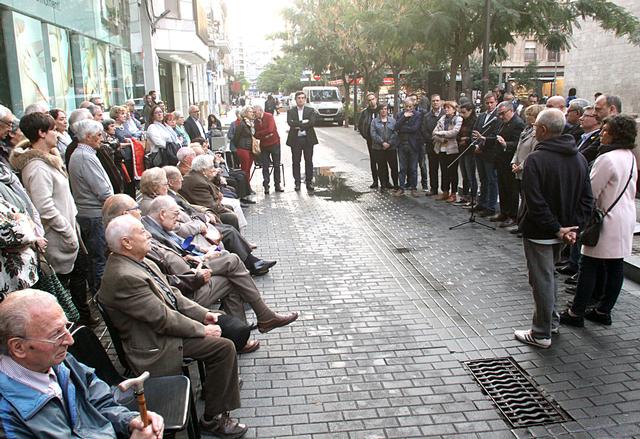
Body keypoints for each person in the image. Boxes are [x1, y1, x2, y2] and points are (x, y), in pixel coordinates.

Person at [99, 215, 249, 438]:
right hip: (154, 344)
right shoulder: (123, 276)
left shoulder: (139, 261)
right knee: (223, 347)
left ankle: (216, 389)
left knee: (222, 326)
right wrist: (202, 329)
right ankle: (213, 419)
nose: (148, 234)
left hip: (161, 332)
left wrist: (203, 314)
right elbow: (163, 319)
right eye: (142, 231)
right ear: (126, 242)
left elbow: (174, 296)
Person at [0, 289, 164, 438]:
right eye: (56, 334)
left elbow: (99, 401)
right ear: (18, 347)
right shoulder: (7, 418)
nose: (70, 340)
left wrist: (129, 420)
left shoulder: (60, 362)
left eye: (66, 327)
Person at [514, 109, 593, 348]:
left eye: (535, 126)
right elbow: (587, 200)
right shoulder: (579, 158)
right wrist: (572, 228)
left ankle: (541, 333)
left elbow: (535, 202)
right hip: (563, 231)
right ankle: (552, 322)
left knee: (542, 280)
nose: (534, 130)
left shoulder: (536, 159)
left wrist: (560, 229)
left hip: (542, 232)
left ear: (543, 130)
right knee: (549, 276)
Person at [11, 113, 98, 326]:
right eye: (53, 130)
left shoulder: (49, 160)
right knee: (65, 286)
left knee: (79, 277)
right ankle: (74, 327)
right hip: (58, 239)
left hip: (68, 233)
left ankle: (83, 324)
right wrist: (67, 231)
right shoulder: (37, 167)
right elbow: (44, 207)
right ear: (41, 133)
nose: (58, 134)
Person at [560, 115, 637, 327]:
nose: (602, 133)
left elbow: (590, 192)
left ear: (615, 134)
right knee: (615, 265)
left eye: (606, 130)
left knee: (589, 264)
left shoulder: (607, 159)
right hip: (624, 215)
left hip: (605, 217)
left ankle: (576, 312)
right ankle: (603, 310)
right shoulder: (629, 156)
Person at [68, 119, 114, 296]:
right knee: (99, 258)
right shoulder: (84, 157)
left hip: (91, 213)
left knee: (97, 258)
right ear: (88, 137)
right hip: (93, 215)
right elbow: (102, 190)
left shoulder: (84, 154)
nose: (102, 138)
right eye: (99, 135)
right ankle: (101, 297)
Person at [180, 154, 241, 230]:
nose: (213, 169)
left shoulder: (198, 175)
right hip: (202, 212)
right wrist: (219, 200)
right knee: (232, 217)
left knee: (230, 207)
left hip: (207, 206)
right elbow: (211, 206)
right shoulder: (198, 182)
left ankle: (238, 235)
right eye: (211, 167)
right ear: (203, 170)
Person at [490, 101, 525, 227]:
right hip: (500, 161)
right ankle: (504, 212)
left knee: (511, 190)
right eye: (499, 114)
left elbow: (518, 143)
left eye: (503, 113)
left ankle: (512, 215)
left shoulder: (518, 123)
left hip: (510, 161)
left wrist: (506, 144)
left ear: (511, 110)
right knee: (503, 188)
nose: (501, 116)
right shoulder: (502, 123)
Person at [510, 104, 543, 233]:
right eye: (527, 115)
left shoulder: (536, 134)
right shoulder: (526, 130)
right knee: (521, 196)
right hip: (518, 167)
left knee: (527, 198)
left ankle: (523, 224)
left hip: (527, 168)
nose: (527, 117)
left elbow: (534, 152)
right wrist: (514, 162)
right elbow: (518, 148)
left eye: (530, 115)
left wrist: (522, 166)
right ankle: (520, 222)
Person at [472, 92, 502, 217]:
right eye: (487, 103)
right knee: (483, 179)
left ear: (496, 102)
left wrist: (481, 146)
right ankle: (482, 202)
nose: (489, 105)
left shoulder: (498, 117)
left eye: (492, 102)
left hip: (489, 153)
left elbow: (495, 135)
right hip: (479, 153)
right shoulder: (481, 116)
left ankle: (491, 206)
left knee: (491, 180)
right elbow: (475, 131)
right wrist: (475, 145)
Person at [286, 91, 318, 192]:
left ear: (305, 99)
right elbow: (290, 123)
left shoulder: (310, 110)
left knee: (309, 161)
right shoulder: (291, 111)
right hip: (295, 140)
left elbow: (311, 123)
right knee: (296, 162)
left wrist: (298, 125)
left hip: (308, 139)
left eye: (302, 98)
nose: (301, 100)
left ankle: (309, 182)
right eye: (299, 98)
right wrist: (304, 122)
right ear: (295, 100)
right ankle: (297, 182)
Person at [432, 101, 462, 202]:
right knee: (444, 171)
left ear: (454, 109)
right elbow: (434, 133)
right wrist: (441, 139)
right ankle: (445, 191)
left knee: (452, 172)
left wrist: (441, 133)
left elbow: (454, 132)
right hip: (441, 148)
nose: (446, 109)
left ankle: (453, 193)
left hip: (452, 149)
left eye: (449, 107)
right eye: (445, 107)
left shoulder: (458, 119)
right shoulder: (442, 118)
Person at [394, 98, 424, 197]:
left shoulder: (418, 115)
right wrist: (404, 117)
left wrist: (402, 129)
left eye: (410, 107)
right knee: (402, 168)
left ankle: (414, 188)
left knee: (413, 168)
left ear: (413, 106)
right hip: (402, 145)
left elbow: (414, 128)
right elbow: (396, 127)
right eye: (406, 106)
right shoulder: (400, 115)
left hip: (413, 145)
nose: (408, 108)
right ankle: (401, 188)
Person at [253, 105, 283, 193]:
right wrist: (265, 135)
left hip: (274, 143)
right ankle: (266, 185)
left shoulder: (269, 116)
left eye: (255, 112)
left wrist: (261, 134)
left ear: (260, 111)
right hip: (264, 145)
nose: (254, 114)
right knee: (265, 166)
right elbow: (255, 134)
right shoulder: (255, 121)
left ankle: (277, 184)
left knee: (276, 165)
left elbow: (270, 129)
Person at [369, 103, 399, 191]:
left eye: (385, 109)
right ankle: (383, 184)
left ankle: (396, 185)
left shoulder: (393, 121)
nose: (384, 111)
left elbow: (396, 132)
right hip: (378, 148)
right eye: (382, 109)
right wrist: (382, 143)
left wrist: (389, 143)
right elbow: (373, 134)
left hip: (391, 148)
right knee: (381, 167)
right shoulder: (374, 121)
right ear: (379, 111)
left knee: (394, 167)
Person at [420, 94, 444, 195]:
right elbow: (423, 130)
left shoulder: (445, 114)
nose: (435, 102)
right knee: (433, 168)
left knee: (444, 169)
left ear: (440, 101)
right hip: (431, 145)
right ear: (431, 102)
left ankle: (445, 190)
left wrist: (440, 139)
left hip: (443, 146)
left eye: (437, 100)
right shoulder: (426, 116)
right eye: (433, 101)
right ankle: (433, 188)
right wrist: (432, 139)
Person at [358, 93, 381, 189]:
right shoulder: (365, 112)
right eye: (369, 100)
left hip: (382, 139)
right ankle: (375, 181)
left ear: (376, 99)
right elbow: (360, 125)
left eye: (373, 99)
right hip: (370, 140)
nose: (371, 101)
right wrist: (366, 136)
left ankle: (385, 181)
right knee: (373, 160)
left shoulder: (381, 110)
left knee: (382, 161)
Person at [456, 102, 477, 205]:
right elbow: (457, 133)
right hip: (461, 149)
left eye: (464, 112)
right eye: (461, 112)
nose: (462, 115)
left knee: (470, 175)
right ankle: (464, 195)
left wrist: (467, 139)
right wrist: (459, 138)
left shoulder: (474, 121)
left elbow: (474, 136)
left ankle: (472, 197)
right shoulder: (462, 121)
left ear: (470, 111)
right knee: (464, 174)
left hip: (470, 151)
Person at [232, 106, 255, 183]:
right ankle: (244, 186)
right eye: (250, 111)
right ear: (245, 113)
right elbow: (236, 137)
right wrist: (239, 146)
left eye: (252, 111)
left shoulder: (251, 123)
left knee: (248, 169)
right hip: (243, 148)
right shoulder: (242, 124)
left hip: (250, 149)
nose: (252, 113)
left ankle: (247, 185)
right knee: (244, 170)